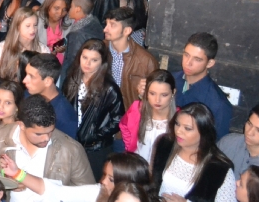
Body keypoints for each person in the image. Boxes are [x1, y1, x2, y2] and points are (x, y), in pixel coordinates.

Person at [153, 103, 237, 202]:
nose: (179, 131)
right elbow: (154, 184)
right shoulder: (165, 144)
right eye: (177, 124)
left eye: (187, 128)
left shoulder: (218, 168)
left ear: (203, 132)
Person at [61, 39, 124, 178]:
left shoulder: (109, 88)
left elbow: (118, 118)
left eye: (94, 60)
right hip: (72, 142)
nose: (87, 63)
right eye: (84, 57)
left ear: (102, 62)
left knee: (91, 183)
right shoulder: (71, 80)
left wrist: (96, 134)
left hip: (96, 149)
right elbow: (65, 108)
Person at [173, 32, 233, 138]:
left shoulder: (219, 104)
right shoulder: (169, 81)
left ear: (209, 63)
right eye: (186, 55)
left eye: (197, 59)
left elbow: (217, 143)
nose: (188, 63)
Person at [102, 7, 158, 109]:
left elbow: (154, 99)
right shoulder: (100, 51)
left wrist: (143, 94)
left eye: (112, 25)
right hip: (104, 111)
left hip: (130, 113)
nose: (105, 29)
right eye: (106, 24)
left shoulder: (146, 61)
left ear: (127, 31)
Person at [120, 69, 176, 162]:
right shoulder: (137, 109)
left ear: (173, 92)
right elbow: (124, 125)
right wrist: (130, 147)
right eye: (152, 93)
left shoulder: (179, 118)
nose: (157, 100)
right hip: (138, 164)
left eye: (164, 95)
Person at [23, 52, 78, 139]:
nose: (24, 80)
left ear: (48, 81)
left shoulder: (65, 116)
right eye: (26, 74)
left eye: (31, 76)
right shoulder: (27, 94)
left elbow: (66, 145)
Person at [0, 6, 48, 81]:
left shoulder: (43, 50)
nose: (32, 30)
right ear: (17, 27)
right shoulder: (2, 47)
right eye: (28, 26)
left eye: (35, 25)